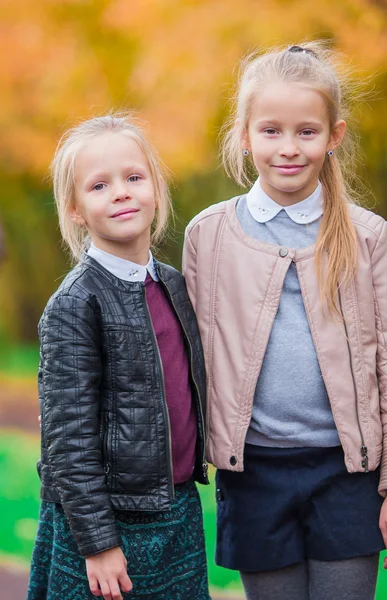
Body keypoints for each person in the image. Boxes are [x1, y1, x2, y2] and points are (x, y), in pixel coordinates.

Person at [183, 42, 387, 600]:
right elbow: (190, 361)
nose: (288, 149)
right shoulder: (209, 235)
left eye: (307, 132)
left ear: (334, 136)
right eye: (270, 131)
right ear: (244, 135)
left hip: (347, 474)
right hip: (253, 476)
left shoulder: (368, 236)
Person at [28, 115, 210, 600]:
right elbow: (67, 442)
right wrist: (98, 542)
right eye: (100, 185)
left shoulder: (173, 286)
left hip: (177, 513)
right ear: (76, 211)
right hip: (103, 526)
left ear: (155, 188)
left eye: (134, 178)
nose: (122, 193)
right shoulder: (75, 304)